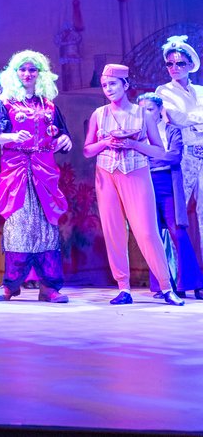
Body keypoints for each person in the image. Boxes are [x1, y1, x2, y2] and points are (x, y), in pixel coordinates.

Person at [83, 66, 184, 305]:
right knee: (114, 231)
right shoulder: (99, 114)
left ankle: (166, 287)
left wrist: (133, 144)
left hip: (136, 172)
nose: (108, 89)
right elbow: (87, 150)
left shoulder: (143, 114)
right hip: (106, 174)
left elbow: (159, 151)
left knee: (147, 231)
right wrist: (106, 142)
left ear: (125, 85)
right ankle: (123, 288)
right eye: (105, 85)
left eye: (113, 84)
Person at [0, 50, 72, 304]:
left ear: (40, 74)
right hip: (16, 167)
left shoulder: (48, 105)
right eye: (22, 69)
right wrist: (10, 136)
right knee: (18, 225)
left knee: (46, 226)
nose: (27, 74)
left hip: (44, 169)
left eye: (32, 70)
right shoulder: (4, 102)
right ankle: (11, 284)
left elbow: (61, 135)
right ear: (14, 73)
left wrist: (65, 140)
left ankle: (49, 286)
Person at [138, 92, 203, 299]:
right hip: (144, 184)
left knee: (177, 231)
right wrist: (157, 156)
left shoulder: (171, 130)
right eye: (142, 110)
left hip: (166, 182)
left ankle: (193, 283)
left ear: (160, 110)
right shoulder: (137, 134)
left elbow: (174, 157)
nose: (146, 114)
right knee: (153, 234)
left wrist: (150, 157)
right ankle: (164, 286)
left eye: (150, 109)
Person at [156, 36, 203, 216]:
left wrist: (191, 119)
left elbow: (184, 118)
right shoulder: (163, 91)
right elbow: (178, 119)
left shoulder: (201, 91)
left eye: (180, 63)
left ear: (191, 65)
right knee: (178, 209)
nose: (174, 67)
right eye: (169, 64)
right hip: (184, 154)